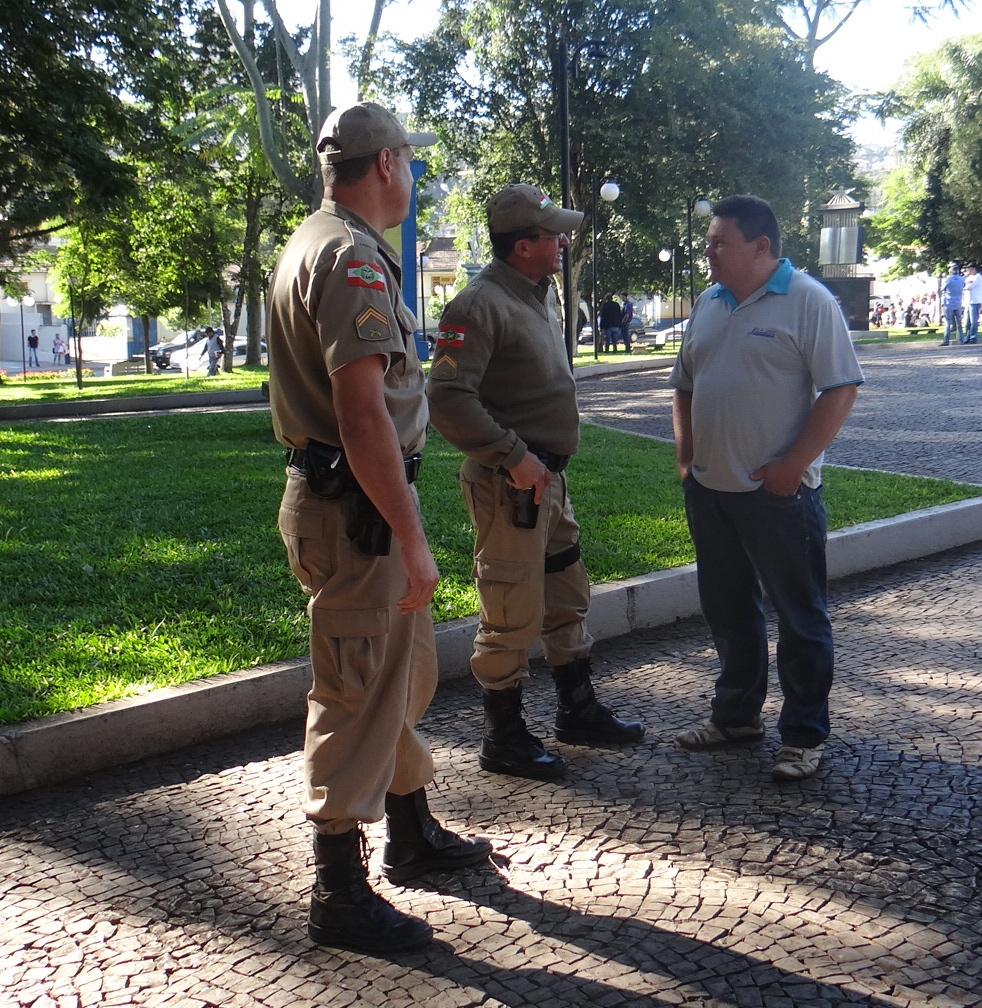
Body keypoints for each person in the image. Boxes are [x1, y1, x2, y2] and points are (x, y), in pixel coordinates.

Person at [266, 102, 492, 954]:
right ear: (388, 163)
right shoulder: (352, 259)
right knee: (356, 691)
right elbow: (363, 419)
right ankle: (339, 891)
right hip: (359, 512)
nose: (414, 176)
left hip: (350, 502)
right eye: (411, 161)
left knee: (398, 675)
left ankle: (411, 829)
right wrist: (414, 537)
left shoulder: (311, 240)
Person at [427, 183, 645, 782]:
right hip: (512, 485)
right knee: (509, 609)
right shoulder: (477, 304)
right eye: (552, 235)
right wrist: (513, 455)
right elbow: (445, 398)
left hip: (547, 482)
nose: (563, 242)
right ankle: (504, 738)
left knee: (566, 592)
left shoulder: (536, 293)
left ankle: (577, 711)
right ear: (524, 245)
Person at [669, 194, 863, 784]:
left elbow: (841, 389)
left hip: (780, 496)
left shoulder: (807, 301)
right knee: (729, 612)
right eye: (708, 243)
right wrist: (686, 457)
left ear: (762, 247)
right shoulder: (708, 301)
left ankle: (804, 734)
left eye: (720, 243)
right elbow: (683, 384)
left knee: (800, 617)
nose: (709, 252)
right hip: (711, 489)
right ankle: (736, 717)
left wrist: (792, 464)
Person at [939, 265, 966, 346]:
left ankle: (946, 340)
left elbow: (941, 289)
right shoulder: (962, 279)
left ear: (950, 272)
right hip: (958, 303)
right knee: (959, 323)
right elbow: (963, 287)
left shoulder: (948, 280)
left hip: (949, 303)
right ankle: (961, 340)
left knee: (948, 322)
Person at [964, 265, 982, 343]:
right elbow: (964, 284)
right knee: (967, 322)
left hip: (975, 301)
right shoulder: (968, 278)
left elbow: (969, 287)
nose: (969, 271)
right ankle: (967, 337)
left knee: (974, 321)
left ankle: (973, 337)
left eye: (970, 269)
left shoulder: (978, 277)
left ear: (974, 269)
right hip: (967, 302)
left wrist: (964, 286)